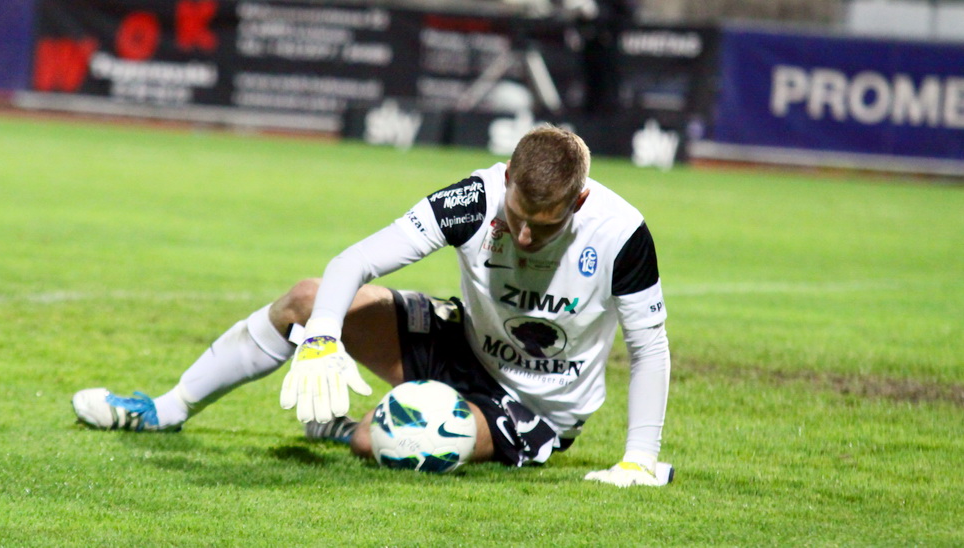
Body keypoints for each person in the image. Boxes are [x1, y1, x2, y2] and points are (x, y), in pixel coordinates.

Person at [72, 126, 672, 487]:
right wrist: (321, 338)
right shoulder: (473, 198)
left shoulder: (620, 233)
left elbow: (649, 349)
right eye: (515, 217)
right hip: (463, 347)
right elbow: (353, 261)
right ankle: (165, 410)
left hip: (536, 408)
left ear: (578, 201)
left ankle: (349, 431)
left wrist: (639, 460)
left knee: (395, 443)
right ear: (508, 175)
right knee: (307, 300)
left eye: (543, 227)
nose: (523, 236)